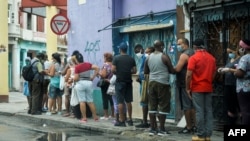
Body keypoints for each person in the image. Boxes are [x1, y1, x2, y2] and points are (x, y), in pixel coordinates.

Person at [186, 39, 216, 141]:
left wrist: (187, 88)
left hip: (197, 87)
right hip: (208, 87)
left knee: (199, 111)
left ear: (195, 47)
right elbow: (214, 73)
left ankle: (201, 135)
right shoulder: (211, 58)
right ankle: (208, 135)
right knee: (208, 111)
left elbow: (189, 75)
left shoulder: (193, 58)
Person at [144, 40, 175, 136]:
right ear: (161, 46)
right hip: (162, 83)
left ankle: (153, 129)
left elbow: (146, 71)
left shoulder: (148, 57)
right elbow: (171, 70)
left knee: (152, 106)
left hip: (152, 83)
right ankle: (162, 129)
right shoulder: (164, 57)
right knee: (163, 105)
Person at [112, 42, 137, 127]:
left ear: (120, 49)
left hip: (119, 82)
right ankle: (130, 119)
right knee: (129, 101)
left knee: (120, 101)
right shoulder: (131, 58)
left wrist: (119, 72)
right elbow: (134, 70)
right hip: (128, 81)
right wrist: (128, 72)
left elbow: (113, 70)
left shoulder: (116, 58)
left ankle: (122, 120)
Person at [175, 38, 196, 134]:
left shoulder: (184, 55)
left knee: (186, 106)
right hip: (193, 82)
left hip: (184, 83)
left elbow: (177, 69)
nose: (177, 45)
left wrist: (168, 67)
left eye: (179, 44)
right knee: (192, 105)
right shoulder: (193, 52)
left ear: (185, 44)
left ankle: (189, 127)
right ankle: (194, 126)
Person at [217, 44, 241, 125]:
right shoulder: (230, 59)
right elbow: (227, 68)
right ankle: (231, 122)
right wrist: (222, 70)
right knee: (229, 105)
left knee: (237, 104)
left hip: (236, 84)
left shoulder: (240, 59)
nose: (229, 54)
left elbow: (240, 71)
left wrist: (229, 70)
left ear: (235, 51)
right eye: (228, 52)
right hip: (228, 84)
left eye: (230, 52)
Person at [73, 55, 99, 123]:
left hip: (81, 83)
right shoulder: (88, 64)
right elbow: (97, 68)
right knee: (90, 101)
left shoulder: (77, 67)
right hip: (88, 82)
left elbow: (76, 78)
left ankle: (84, 118)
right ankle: (95, 117)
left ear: (77, 60)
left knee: (82, 101)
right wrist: (93, 77)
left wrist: (73, 79)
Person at [134, 45, 155, 128]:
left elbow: (144, 71)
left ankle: (147, 121)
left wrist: (141, 76)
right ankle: (148, 122)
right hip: (146, 81)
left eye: (146, 52)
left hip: (147, 82)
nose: (144, 53)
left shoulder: (147, 58)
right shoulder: (146, 58)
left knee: (146, 102)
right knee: (148, 102)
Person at [234, 39, 250, 125]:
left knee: (245, 112)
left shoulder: (245, 58)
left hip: (244, 88)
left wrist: (235, 71)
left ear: (244, 48)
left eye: (240, 47)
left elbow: (240, 73)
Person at [99, 52, 114, 120]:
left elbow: (104, 75)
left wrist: (100, 73)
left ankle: (106, 115)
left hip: (105, 83)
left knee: (105, 99)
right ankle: (113, 114)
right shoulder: (113, 65)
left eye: (104, 57)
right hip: (111, 82)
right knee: (112, 99)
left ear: (106, 58)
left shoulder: (105, 65)